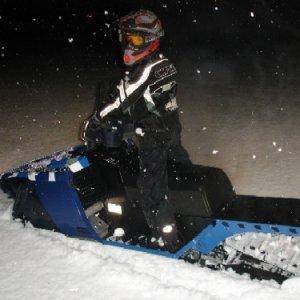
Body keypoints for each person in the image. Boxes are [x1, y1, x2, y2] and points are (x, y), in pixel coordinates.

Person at [98, 10, 191, 252]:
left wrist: (97, 119)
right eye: (126, 39)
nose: (129, 45)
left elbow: (123, 98)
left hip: (153, 134)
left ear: (151, 40)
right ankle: (190, 205)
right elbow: (144, 98)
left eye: (136, 40)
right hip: (169, 127)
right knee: (179, 169)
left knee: (151, 184)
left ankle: (164, 235)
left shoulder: (149, 69)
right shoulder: (164, 64)